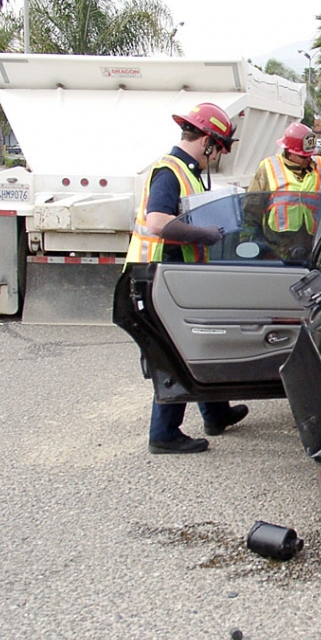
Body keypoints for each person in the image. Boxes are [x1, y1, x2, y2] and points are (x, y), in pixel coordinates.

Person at [126, 102, 249, 454]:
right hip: (155, 274)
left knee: (198, 342)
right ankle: (163, 434)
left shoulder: (187, 170)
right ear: (207, 141)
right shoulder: (170, 170)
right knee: (172, 351)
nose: (217, 156)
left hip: (173, 273)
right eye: (219, 148)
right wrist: (206, 234)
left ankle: (215, 412)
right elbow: (158, 222)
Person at [242, 122, 321, 263]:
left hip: (314, 253)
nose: (308, 160)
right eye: (303, 156)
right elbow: (251, 211)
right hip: (277, 255)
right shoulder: (268, 169)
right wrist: (247, 245)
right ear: (289, 151)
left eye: (309, 156)